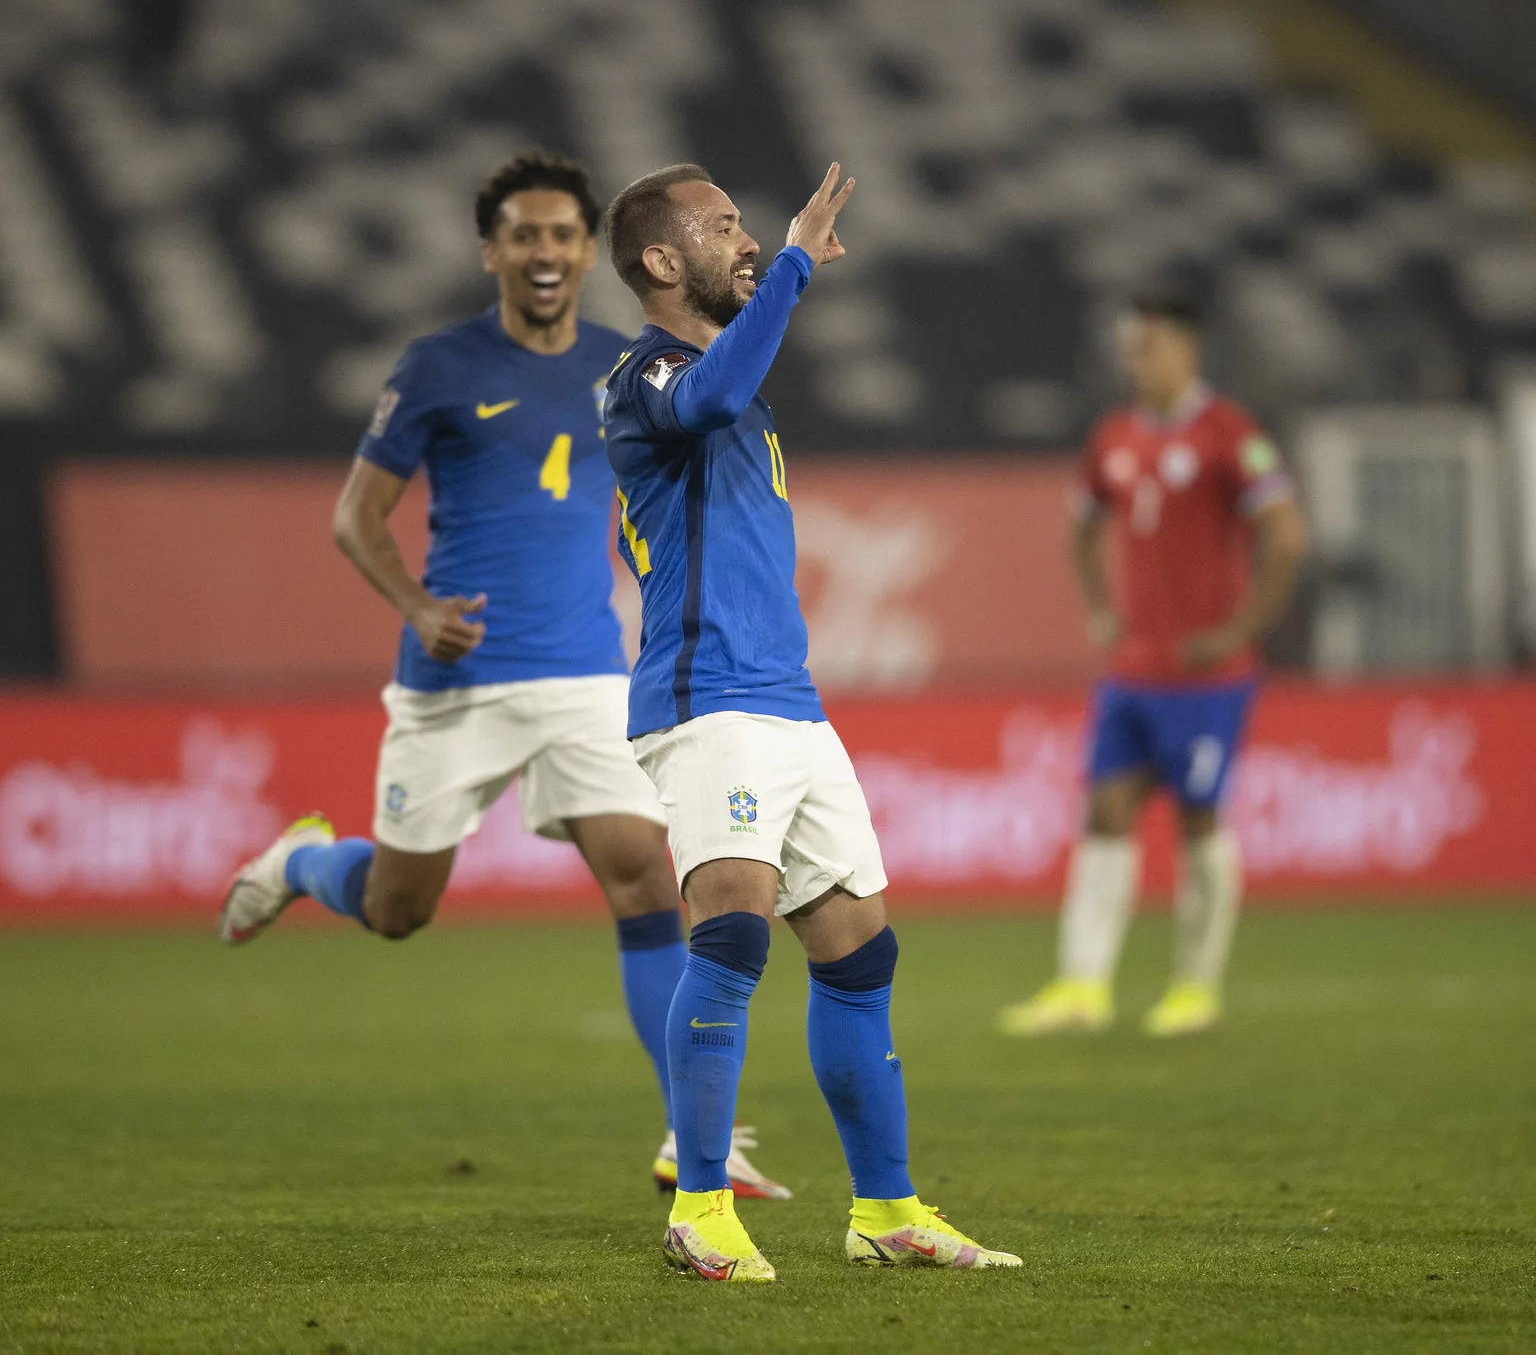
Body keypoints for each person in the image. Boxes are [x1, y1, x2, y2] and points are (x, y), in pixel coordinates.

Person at [216, 148, 787, 1203]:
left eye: (563, 233)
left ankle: (690, 1136)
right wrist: (419, 607)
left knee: (643, 882)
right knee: (398, 908)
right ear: (493, 251)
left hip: (581, 671)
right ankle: (304, 863)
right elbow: (355, 517)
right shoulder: (437, 367)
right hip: (458, 678)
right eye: (523, 234)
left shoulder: (630, 363)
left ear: (585, 251)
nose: (544, 250)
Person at [601, 160, 1020, 1282]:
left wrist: (782, 272)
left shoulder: (730, 377)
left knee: (856, 948)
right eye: (722, 225)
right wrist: (792, 263)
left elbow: (736, 390)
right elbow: (714, 397)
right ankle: (698, 1205)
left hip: (788, 704)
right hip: (706, 703)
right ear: (658, 259)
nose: (744, 239)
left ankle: (884, 1209)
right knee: (731, 932)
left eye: (748, 226)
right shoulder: (642, 377)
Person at [998, 289, 1307, 1038]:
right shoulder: (1113, 438)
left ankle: (1196, 989)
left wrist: (1241, 628)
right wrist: (1102, 611)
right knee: (1105, 812)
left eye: (1150, 347)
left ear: (1188, 350)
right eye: (1130, 348)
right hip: (1132, 673)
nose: (1136, 361)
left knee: (1200, 819)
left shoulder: (1230, 434)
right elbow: (1081, 528)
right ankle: (1082, 987)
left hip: (1207, 678)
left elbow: (1288, 536)